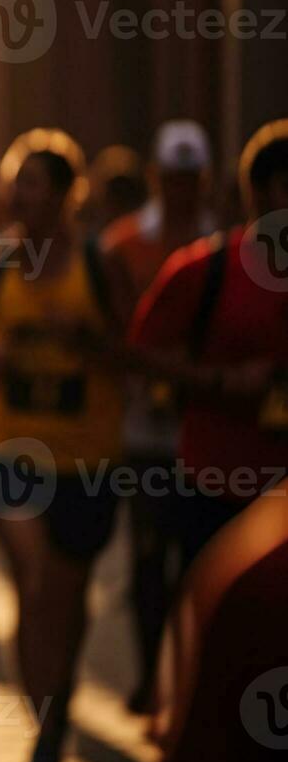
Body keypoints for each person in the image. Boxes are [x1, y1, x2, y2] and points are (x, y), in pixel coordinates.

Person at [0, 129, 125, 762]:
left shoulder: (98, 262)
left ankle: (55, 708)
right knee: (36, 587)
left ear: (63, 195)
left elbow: (134, 354)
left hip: (85, 455)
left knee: (67, 594)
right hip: (8, 449)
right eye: (15, 183)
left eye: (31, 184)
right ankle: (47, 727)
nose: (18, 195)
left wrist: (85, 339)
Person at [129, 119, 288, 568]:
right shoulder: (203, 269)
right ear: (263, 192)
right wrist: (219, 380)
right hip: (214, 488)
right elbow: (139, 356)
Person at [97, 119, 216, 712]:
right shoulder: (121, 244)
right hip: (144, 427)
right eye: (173, 178)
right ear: (155, 178)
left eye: (191, 179)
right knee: (148, 557)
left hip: (205, 429)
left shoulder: (224, 246)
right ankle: (151, 674)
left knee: (198, 559)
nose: (181, 189)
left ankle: (191, 679)